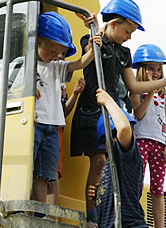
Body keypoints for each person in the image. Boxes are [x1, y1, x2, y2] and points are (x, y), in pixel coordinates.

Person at [70, 0, 166, 226]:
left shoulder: (124, 54)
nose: (130, 36)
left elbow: (133, 86)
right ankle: (92, 215)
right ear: (113, 24)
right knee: (99, 161)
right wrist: (94, 33)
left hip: (112, 112)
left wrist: (165, 82)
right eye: (128, 30)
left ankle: (114, 210)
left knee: (117, 160)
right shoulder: (92, 39)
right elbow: (85, 56)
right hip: (93, 109)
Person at [28, 11, 102, 211]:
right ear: (39, 41)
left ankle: (46, 217)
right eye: (52, 51)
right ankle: (33, 212)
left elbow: (81, 62)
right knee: (31, 173)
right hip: (34, 124)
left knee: (47, 175)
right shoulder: (26, 65)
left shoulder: (56, 67)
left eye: (59, 52)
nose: (55, 56)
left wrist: (94, 38)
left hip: (53, 127)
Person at [88, 88, 147, 228]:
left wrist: (108, 101)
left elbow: (124, 129)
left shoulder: (128, 157)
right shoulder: (109, 166)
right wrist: (99, 196)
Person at [129, 44, 166, 228]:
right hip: (141, 140)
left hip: (159, 143)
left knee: (158, 190)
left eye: (158, 70)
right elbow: (138, 114)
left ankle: (159, 226)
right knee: (137, 184)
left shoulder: (164, 95)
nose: (155, 73)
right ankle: (133, 220)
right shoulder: (137, 90)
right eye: (150, 69)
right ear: (141, 69)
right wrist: (153, 89)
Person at [46, 46, 86, 217]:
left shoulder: (61, 82)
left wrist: (74, 94)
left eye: (63, 54)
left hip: (55, 129)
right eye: (57, 52)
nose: (60, 57)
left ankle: (50, 216)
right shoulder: (40, 72)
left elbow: (63, 113)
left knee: (53, 174)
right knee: (39, 176)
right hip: (40, 126)